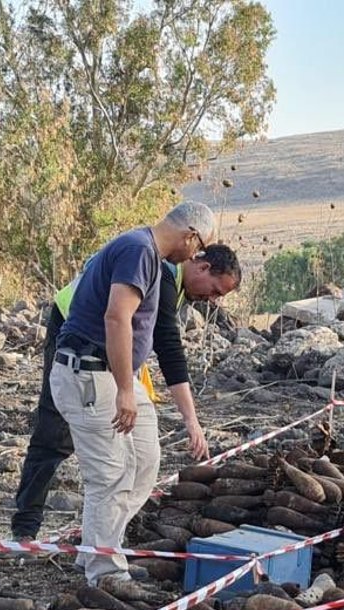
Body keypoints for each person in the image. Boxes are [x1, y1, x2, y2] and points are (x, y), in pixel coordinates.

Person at [10, 242, 241, 539]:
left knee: (134, 446)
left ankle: (105, 534)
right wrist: (190, 420)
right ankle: (26, 527)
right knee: (55, 431)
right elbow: (168, 348)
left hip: (109, 350)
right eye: (215, 291)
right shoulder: (165, 275)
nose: (213, 300)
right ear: (203, 265)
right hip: (74, 332)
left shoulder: (180, 284)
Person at [49, 202, 217, 584]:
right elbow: (116, 317)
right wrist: (126, 389)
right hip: (91, 374)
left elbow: (162, 339)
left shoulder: (153, 260)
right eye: (199, 247)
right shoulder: (139, 250)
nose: (194, 256)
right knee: (109, 475)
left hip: (116, 374)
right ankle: (104, 570)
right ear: (191, 235)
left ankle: (102, 547)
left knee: (143, 460)